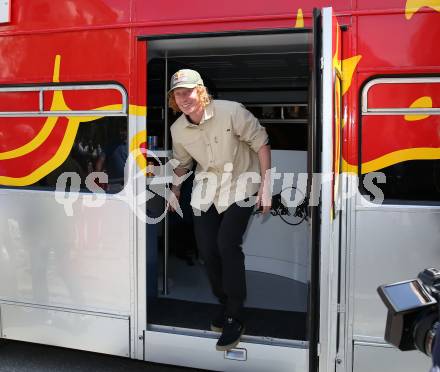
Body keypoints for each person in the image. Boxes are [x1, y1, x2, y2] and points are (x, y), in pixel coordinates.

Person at [167, 69, 272, 351]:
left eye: (188, 91)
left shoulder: (231, 112)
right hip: (206, 190)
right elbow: (182, 163)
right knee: (207, 250)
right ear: (173, 99)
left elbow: (261, 143)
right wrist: (175, 189)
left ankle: (235, 315)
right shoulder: (178, 129)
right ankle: (225, 303)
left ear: (200, 91)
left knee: (227, 244)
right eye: (179, 93)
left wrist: (265, 186)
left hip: (242, 184)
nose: (184, 98)